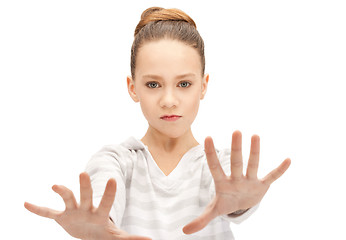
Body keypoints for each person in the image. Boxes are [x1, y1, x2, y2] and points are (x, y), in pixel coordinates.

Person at [24, 7, 291, 240]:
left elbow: (230, 195)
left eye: (184, 84)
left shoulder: (218, 166)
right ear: (133, 88)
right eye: (153, 84)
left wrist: (240, 205)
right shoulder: (116, 160)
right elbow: (102, 199)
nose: (169, 100)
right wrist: (99, 226)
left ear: (203, 86)